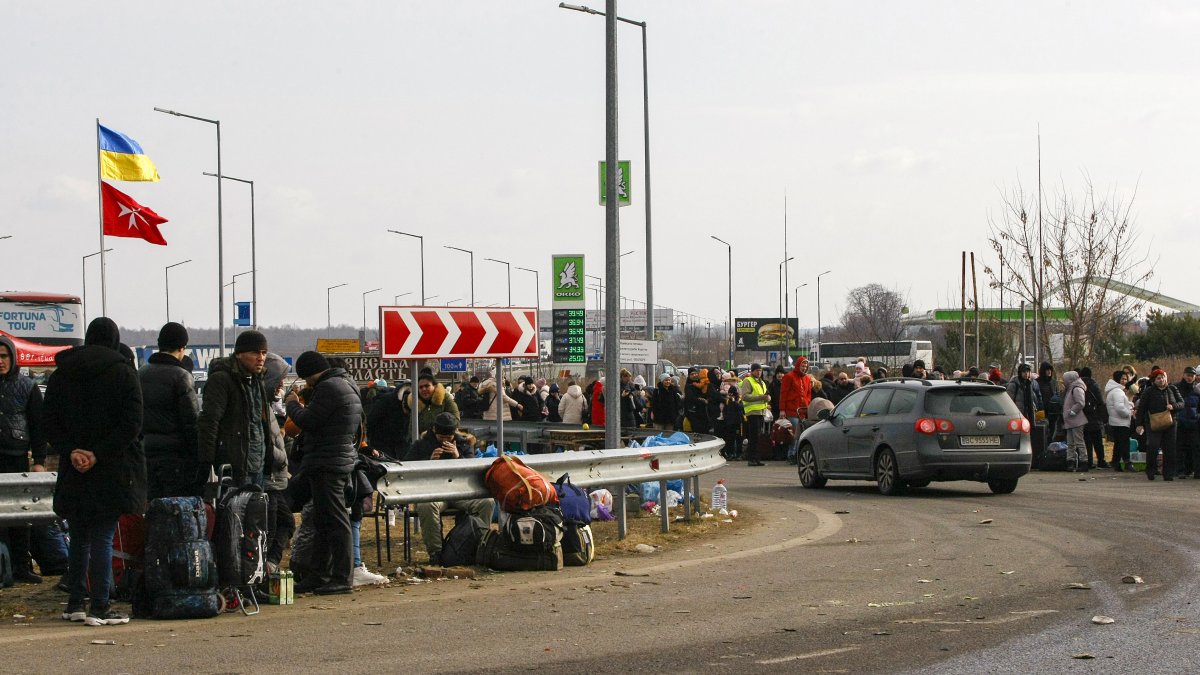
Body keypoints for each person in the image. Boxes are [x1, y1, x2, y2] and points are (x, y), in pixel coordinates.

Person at [44, 318, 145, 625]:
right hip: (110, 467)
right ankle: (100, 604)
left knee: (79, 535)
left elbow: (49, 420)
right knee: (102, 535)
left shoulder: (62, 374)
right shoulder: (124, 373)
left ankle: (75, 602)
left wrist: (72, 450)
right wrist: (97, 453)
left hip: (73, 468)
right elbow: (133, 424)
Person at [285, 351, 362, 594]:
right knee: (323, 520)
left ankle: (341, 578)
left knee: (336, 522)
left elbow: (308, 420)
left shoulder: (328, 388)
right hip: (337, 460)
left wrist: (291, 404)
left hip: (327, 463)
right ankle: (319, 574)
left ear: (308, 375)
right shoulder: (347, 383)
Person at [403, 412, 493, 566]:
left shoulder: (465, 443)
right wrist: (429, 462)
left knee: (487, 502)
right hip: (434, 492)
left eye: (448, 437)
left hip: (461, 491)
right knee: (426, 506)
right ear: (434, 431)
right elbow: (406, 468)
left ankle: (479, 545)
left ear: (455, 433)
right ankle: (436, 553)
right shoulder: (421, 444)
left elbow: (472, 470)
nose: (445, 440)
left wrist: (458, 457)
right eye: (441, 437)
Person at [0, 335, 50, 583]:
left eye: (4, 356)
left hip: (17, 458)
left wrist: (39, 460)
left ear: (12, 357)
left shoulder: (27, 386)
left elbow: (38, 426)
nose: (0, 362)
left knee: (21, 516)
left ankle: (21, 565)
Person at [138, 322, 202, 499]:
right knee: (175, 510)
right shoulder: (181, 376)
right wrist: (198, 457)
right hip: (175, 459)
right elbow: (191, 422)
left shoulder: (141, 373)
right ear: (182, 347)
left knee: (152, 508)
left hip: (146, 454)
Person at [198, 330, 271, 486]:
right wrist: (206, 461)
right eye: (255, 353)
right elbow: (209, 421)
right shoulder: (222, 380)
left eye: (264, 353)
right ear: (239, 354)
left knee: (256, 509)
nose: (261, 358)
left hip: (258, 464)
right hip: (235, 465)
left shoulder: (257, 381)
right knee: (234, 509)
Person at [1136, 368, 1183, 481]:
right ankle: (1151, 470)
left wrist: (1173, 406)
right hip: (1154, 423)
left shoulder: (1172, 388)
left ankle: (1168, 473)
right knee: (1153, 446)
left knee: (1170, 449)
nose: (1161, 380)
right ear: (1154, 380)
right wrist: (1139, 424)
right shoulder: (1149, 392)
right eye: (1158, 378)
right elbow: (1141, 408)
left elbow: (1181, 403)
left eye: (1163, 377)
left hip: (1170, 423)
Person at [1005, 363, 1043, 466]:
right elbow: (1009, 401)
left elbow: (1032, 400)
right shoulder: (1014, 384)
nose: (1026, 374)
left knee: (1028, 438)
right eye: (1024, 372)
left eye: (1028, 372)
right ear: (1020, 373)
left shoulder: (1030, 384)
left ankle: (1030, 461)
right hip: (1017, 415)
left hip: (1029, 414)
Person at [780, 357, 815, 463]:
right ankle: (791, 454)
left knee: (801, 434)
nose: (804, 368)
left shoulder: (807, 378)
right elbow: (783, 393)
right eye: (802, 366)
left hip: (803, 411)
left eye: (806, 366)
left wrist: (807, 404)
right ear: (798, 365)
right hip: (792, 410)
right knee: (794, 434)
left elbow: (808, 394)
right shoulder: (789, 377)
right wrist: (782, 409)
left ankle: (797, 454)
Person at [739, 364, 770, 467]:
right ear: (752, 371)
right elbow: (745, 396)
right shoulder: (748, 381)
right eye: (757, 370)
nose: (759, 372)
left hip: (761, 411)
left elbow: (763, 394)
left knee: (758, 436)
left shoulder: (762, 382)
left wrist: (767, 399)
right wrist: (762, 397)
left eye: (760, 370)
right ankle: (751, 458)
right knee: (753, 436)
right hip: (752, 412)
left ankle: (756, 458)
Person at [1077, 367, 1109, 469]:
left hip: (1083, 416)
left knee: (1087, 441)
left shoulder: (1078, 385)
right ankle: (1101, 460)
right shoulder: (1094, 385)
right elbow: (1100, 401)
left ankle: (1089, 461)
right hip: (1095, 416)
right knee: (1098, 441)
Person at [1105, 370, 1135, 472]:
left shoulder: (1114, 390)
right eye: (1122, 378)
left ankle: (1115, 462)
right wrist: (1129, 413)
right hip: (1121, 422)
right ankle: (1127, 462)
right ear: (1117, 379)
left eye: (1126, 379)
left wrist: (1129, 404)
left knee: (1118, 443)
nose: (1124, 381)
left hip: (1115, 421)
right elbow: (1120, 408)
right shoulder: (1117, 391)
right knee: (1124, 443)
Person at [1173, 367, 1199, 478]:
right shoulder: (1176, 388)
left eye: (1192, 376)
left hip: (1194, 423)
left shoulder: (1197, 390)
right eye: (1188, 375)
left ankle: (1193, 470)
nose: (1190, 378)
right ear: (1184, 375)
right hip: (1180, 423)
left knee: (1195, 448)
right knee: (1180, 448)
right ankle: (1180, 470)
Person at [1061, 370, 1089, 472]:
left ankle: (1083, 461)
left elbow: (1080, 402)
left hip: (1076, 420)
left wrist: (1072, 411)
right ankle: (1070, 461)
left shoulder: (1076, 388)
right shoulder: (1071, 388)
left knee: (1079, 442)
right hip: (1070, 421)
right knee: (1070, 443)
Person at [1036, 362, 1062, 447]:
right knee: (1043, 430)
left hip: (1053, 411)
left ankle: (1050, 445)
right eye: (1047, 370)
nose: (1049, 372)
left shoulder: (1054, 382)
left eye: (1050, 370)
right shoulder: (1037, 382)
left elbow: (1057, 394)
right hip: (1042, 410)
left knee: (1053, 430)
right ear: (1043, 371)